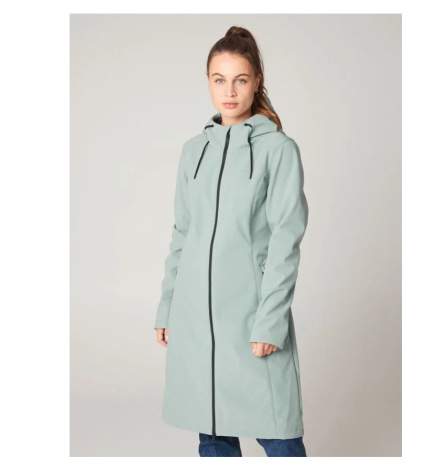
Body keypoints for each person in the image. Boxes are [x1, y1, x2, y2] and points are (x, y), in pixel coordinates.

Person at [154, 25, 309, 457]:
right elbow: (183, 233)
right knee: (213, 433)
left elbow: (286, 240)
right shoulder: (193, 151)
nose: (229, 91)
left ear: (257, 80)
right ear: (207, 81)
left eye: (240, 79)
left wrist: (271, 321)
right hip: (195, 321)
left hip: (249, 319)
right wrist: (168, 306)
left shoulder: (278, 149)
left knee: (279, 436)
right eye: (219, 79)